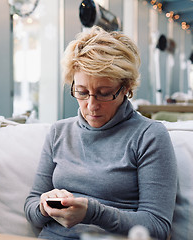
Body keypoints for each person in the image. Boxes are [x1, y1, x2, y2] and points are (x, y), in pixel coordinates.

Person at [24, 26, 177, 240]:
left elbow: (158, 226)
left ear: (126, 88)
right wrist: (45, 206)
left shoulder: (149, 135)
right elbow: (31, 207)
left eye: (104, 94)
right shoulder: (59, 132)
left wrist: (93, 213)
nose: (91, 105)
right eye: (82, 92)